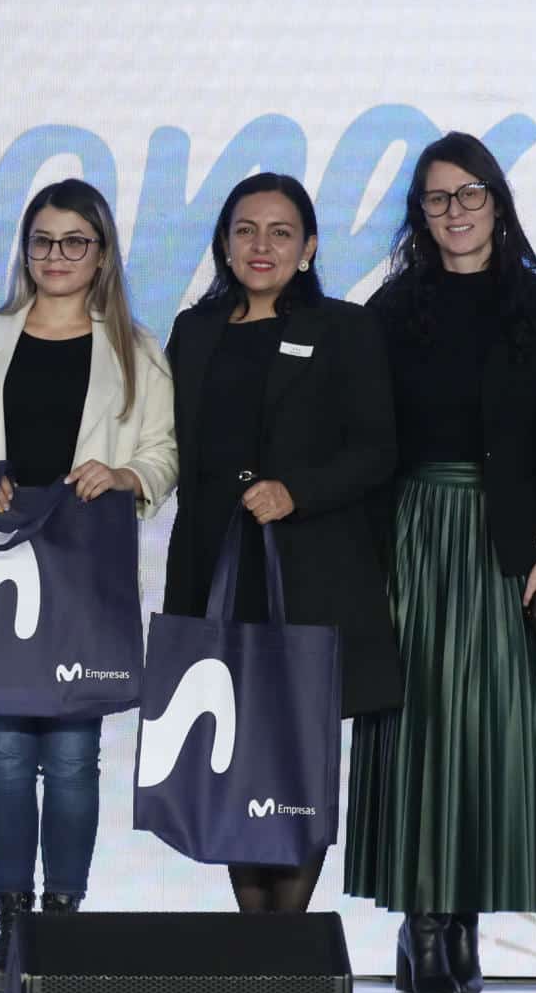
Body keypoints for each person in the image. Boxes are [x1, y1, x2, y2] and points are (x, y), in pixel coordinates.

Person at [0, 178, 177, 991]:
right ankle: (13, 921)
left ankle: (63, 923)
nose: (57, 256)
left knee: (72, 755)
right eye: (43, 240)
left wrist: (129, 472)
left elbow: (166, 453)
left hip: (83, 564)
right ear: (25, 249)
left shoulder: (135, 348)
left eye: (75, 241)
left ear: (102, 252)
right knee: (1, 754)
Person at [345, 132, 536, 993]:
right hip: (415, 531)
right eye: (439, 198)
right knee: (420, 723)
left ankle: (466, 912)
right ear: (420, 212)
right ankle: (426, 918)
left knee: (496, 725)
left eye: (470, 194)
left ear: (498, 202)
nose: (456, 213)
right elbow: (370, 443)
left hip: (517, 541)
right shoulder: (389, 312)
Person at [163, 172, 399, 914]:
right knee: (230, 750)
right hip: (217, 571)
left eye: (280, 232)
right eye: (245, 230)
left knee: (297, 758)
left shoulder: (346, 328)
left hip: (311, 572)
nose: (260, 246)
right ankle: (253, 939)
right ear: (224, 242)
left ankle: (284, 945)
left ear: (310, 247)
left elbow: (378, 448)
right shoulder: (193, 331)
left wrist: (297, 491)